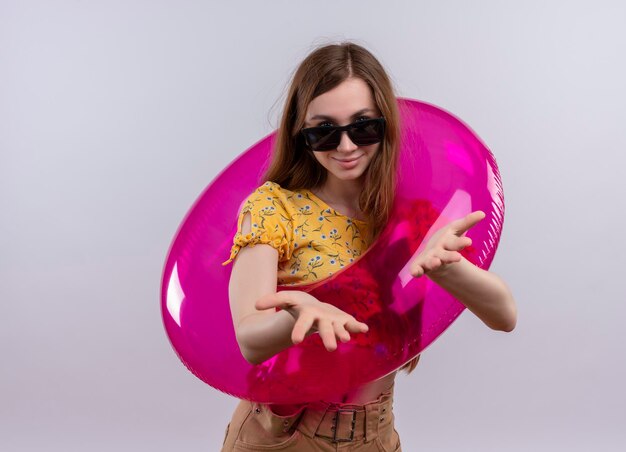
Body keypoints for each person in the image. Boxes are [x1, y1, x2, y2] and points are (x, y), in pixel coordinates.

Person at [220, 41, 517, 451]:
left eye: (363, 127)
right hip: (283, 434)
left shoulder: (405, 217)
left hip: (374, 433)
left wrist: (452, 271)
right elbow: (249, 340)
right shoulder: (274, 208)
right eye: (324, 131)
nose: (346, 146)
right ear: (301, 134)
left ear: (385, 124)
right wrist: (301, 313)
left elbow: (504, 316)